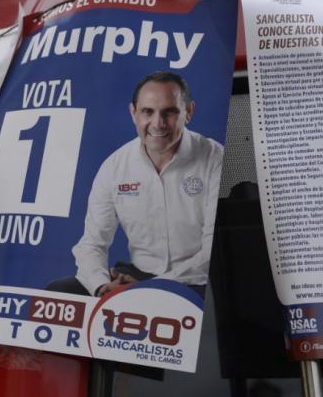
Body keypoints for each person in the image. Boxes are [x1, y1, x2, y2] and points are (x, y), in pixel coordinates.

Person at [59, 71, 222, 297]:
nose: (158, 123)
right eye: (148, 112)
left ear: (188, 112)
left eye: (170, 112)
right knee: (60, 291)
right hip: (137, 274)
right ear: (133, 113)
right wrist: (101, 286)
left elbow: (212, 251)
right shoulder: (114, 166)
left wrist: (146, 289)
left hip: (194, 280)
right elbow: (91, 244)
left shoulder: (215, 158)